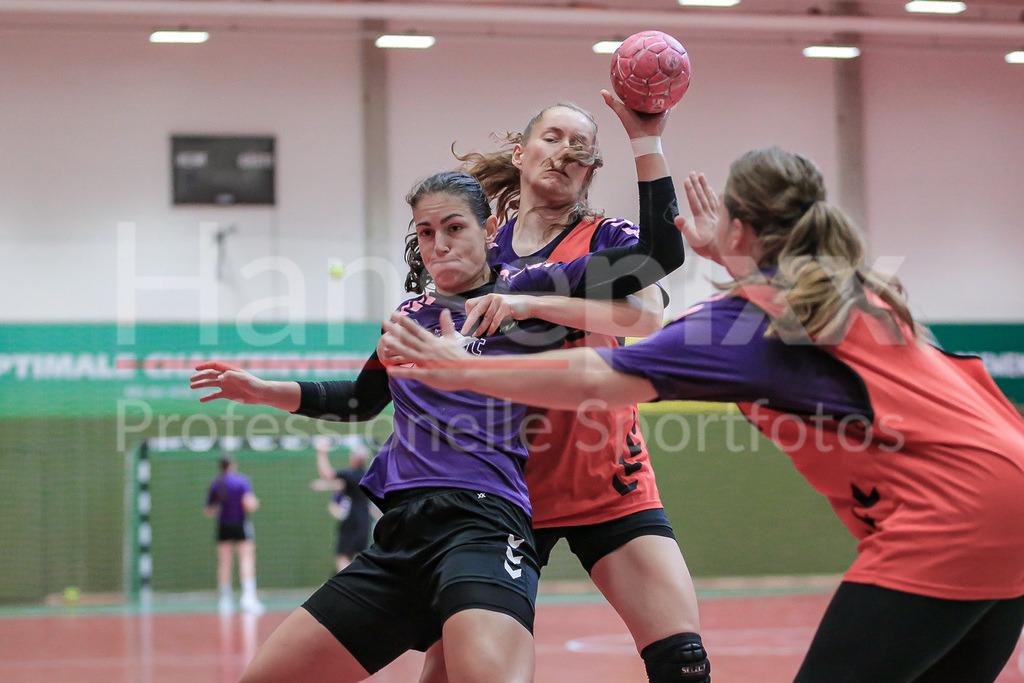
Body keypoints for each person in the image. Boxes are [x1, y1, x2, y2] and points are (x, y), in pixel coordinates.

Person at [383, 145, 1024, 682]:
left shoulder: (747, 322)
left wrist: (458, 367)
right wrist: (730, 257)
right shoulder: (853, 292)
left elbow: (593, 377)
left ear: (738, 225)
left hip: (955, 514)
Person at [188, 107, 686, 681]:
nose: (440, 243)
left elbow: (654, 267)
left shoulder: (520, 297)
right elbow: (360, 399)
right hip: (402, 534)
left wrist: (646, 141)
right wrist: (264, 390)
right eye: (427, 232)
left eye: (455, 228)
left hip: (484, 524)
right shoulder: (408, 316)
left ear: (487, 233)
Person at [409, 96, 708, 683]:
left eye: (580, 146)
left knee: (684, 662)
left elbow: (646, 319)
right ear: (521, 154)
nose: (565, 152)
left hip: (608, 483)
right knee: (449, 675)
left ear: (591, 169)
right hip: (505, 495)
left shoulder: (607, 239)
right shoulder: (480, 251)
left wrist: (529, 304)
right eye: (552, 137)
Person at [204, 454, 265, 616]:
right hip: (240, 524)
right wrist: (254, 503)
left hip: (223, 525)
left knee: (224, 561)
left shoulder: (216, 483)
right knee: (246, 558)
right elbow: (249, 504)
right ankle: (248, 597)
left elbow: (209, 510)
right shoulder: (242, 481)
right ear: (233, 465)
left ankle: (225, 599)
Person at [311, 436, 374, 571]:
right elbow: (340, 484)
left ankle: (347, 587)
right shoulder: (367, 475)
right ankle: (359, 587)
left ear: (355, 459)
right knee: (358, 555)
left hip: (351, 518)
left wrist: (321, 452)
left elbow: (327, 474)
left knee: (341, 556)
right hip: (365, 520)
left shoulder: (350, 474)